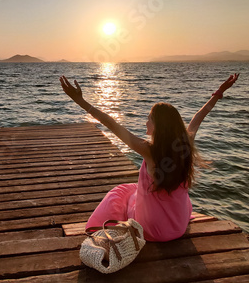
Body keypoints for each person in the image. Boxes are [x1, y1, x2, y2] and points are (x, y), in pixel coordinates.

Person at [59, 73, 239, 242]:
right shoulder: (186, 143)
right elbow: (200, 115)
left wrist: (80, 101)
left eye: (149, 118)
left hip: (150, 230)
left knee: (122, 193)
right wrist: (219, 92)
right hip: (177, 227)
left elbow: (110, 123)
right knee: (142, 192)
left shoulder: (148, 150)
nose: (146, 122)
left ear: (159, 126)